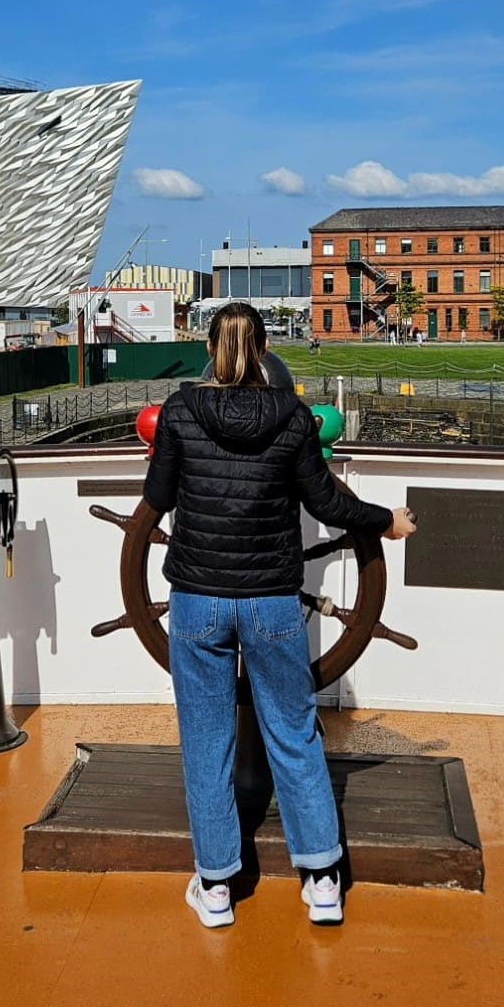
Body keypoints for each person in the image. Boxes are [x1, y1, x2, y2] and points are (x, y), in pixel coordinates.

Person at [142, 302, 417, 929]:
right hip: (271, 602)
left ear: (209, 348)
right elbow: (327, 501)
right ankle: (322, 881)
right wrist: (388, 523)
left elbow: (156, 502)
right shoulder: (294, 417)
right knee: (294, 735)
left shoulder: (181, 410)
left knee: (207, 743)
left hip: (197, 602)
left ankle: (216, 889)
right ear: (265, 347)